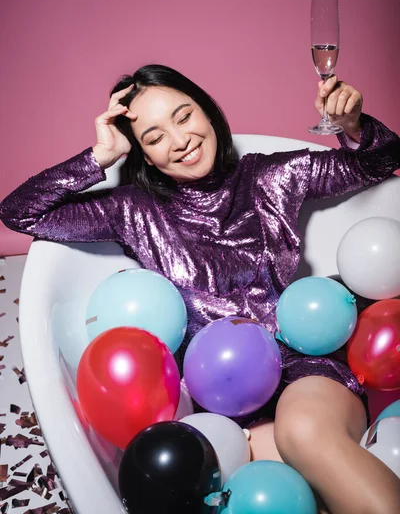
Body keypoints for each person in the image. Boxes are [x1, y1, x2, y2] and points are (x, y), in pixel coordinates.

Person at [1, 64, 400, 514]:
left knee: (304, 435)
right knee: (285, 497)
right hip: (218, 407)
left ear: (208, 112)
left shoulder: (271, 176)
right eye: (153, 137)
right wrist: (99, 156)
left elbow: (381, 161)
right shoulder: (135, 210)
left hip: (298, 369)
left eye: (184, 116)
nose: (179, 140)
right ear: (145, 156)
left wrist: (352, 125)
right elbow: (21, 212)